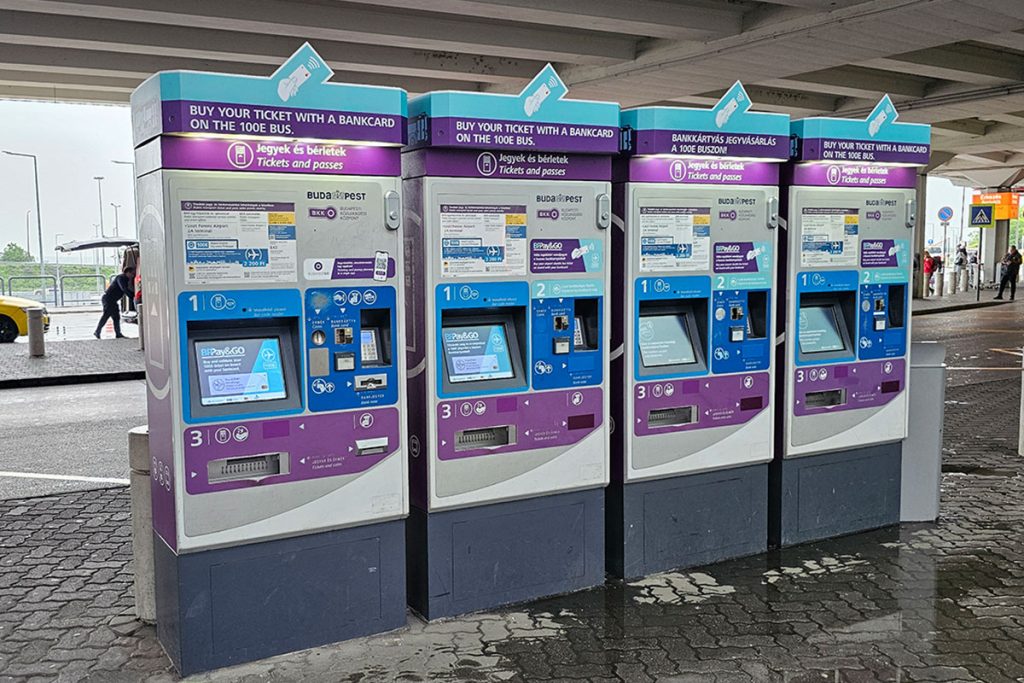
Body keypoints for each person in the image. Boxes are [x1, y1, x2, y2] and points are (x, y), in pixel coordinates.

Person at [95, 266, 135, 339]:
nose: (133, 276)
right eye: (132, 274)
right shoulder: (121, 278)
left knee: (116, 317)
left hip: (113, 300)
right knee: (106, 315)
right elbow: (124, 289)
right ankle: (97, 331)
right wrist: (133, 297)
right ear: (127, 272)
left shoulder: (125, 279)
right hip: (108, 299)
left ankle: (118, 333)